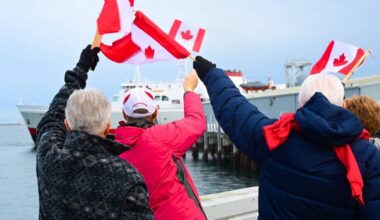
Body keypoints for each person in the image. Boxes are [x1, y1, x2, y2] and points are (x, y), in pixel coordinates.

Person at [193, 56, 380, 219]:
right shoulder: (366, 154)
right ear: (342, 104)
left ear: (301, 103)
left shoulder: (276, 137)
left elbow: (236, 111)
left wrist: (211, 74)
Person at [36, 45, 154, 219]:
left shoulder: (48, 157)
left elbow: (52, 116)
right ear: (108, 127)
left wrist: (81, 69)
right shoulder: (127, 177)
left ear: (67, 125)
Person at [114, 72, 207, 220]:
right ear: (155, 112)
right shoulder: (162, 136)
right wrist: (189, 90)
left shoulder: (112, 147)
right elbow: (196, 121)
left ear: (124, 115)